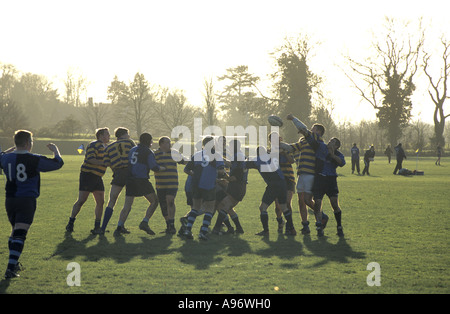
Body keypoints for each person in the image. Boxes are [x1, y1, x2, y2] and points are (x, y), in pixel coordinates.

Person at [0, 130, 64, 278]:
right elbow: (58, 163)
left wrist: (11, 149)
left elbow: (2, 155)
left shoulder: (6, 158)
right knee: (20, 233)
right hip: (26, 200)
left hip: (10, 200)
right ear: (28, 143)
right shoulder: (34, 159)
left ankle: (14, 264)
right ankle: (10, 268)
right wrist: (56, 150)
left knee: (15, 231)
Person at [280, 115, 328, 235]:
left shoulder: (317, 139)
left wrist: (293, 119)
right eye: (312, 129)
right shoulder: (303, 140)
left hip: (311, 174)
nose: (312, 130)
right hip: (301, 174)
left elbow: (304, 129)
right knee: (301, 202)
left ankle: (322, 216)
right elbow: (291, 148)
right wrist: (279, 143)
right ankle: (305, 225)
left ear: (319, 132)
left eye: (314, 129)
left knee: (307, 200)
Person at [114, 133, 166, 236]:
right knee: (155, 201)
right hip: (141, 180)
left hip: (130, 179)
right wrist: (163, 168)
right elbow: (154, 167)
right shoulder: (148, 152)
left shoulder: (133, 149)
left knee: (127, 205)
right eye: (151, 140)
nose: (152, 142)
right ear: (148, 141)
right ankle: (145, 222)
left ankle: (119, 227)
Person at [66, 128, 110, 234]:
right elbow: (90, 159)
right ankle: (70, 223)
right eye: (107, 134)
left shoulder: (107, 147)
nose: (109, 136)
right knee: (81, 200)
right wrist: (104, 162)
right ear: (101, 136)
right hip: (88, 175)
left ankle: (97, 227)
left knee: (101, 202)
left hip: (98, 177)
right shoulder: (94, 144)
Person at [181, 136, 226, 240]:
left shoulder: (197, 154)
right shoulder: (216, 155)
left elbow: (186, 170)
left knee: (195, 208)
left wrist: (196, 175)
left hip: (196, 185)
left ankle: (188, 230)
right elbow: (221, 171)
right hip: (209, 185)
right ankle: (203, 232)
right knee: (210, 209)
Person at [246, 146, 296, 236]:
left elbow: (245, 164)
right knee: (284, 208)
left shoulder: (257, 159)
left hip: (273, 185)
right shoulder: (273, 157)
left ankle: (266, 231)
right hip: (282, 183)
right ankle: (292, 229)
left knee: (263, 208)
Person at [101, 127, 136, 233]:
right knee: (128, 203)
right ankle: (120, 226)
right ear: (124, 134)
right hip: (130, 174)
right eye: (128, 134)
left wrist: (116, 170)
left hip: (118, 174)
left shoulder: (109, 147)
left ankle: (103, 228)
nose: (129, 136)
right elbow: (136, 155)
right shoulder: (130, 143)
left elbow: (107, 163)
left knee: (111, 201)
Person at [212, 139, 247, 235]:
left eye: (230, 146)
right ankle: (238, 228)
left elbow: (235, 177)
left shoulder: (238, 157)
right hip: (238, 186)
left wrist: (224, 176)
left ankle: (216, 228)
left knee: (224, 206)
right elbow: (232, 164)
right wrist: (221, 159)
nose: (228, 148)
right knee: (224, 206)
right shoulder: (239, 156)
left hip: (237, 187)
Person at [154, 136, 188, 234]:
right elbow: (152, 165)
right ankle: (169, 226)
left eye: (169, 142)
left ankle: (172, 225)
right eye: (166, 142)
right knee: (163, 205)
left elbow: (183, 161)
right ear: (161, 144)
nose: (169, 144)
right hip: (160, 183)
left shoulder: (174, 153)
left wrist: (194, 162)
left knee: (170, 201)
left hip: (172, 183)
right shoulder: (155, 154)